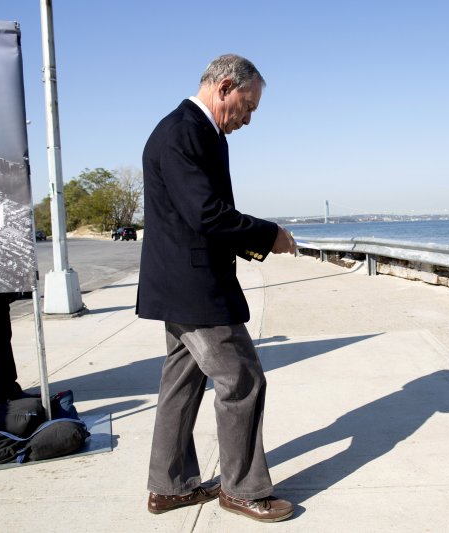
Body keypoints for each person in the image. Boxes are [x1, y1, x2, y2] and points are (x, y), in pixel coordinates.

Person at [136, 54, 296, 523]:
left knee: (181, 385)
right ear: (225, 87)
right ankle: (242, 489)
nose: (247, 120)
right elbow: (205, 214)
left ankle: (169, 487)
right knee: (242, 380)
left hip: (180, 280)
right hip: (195, 286)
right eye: (246, 107)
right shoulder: (183, 130)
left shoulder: (197, 130)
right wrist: (268, 235)